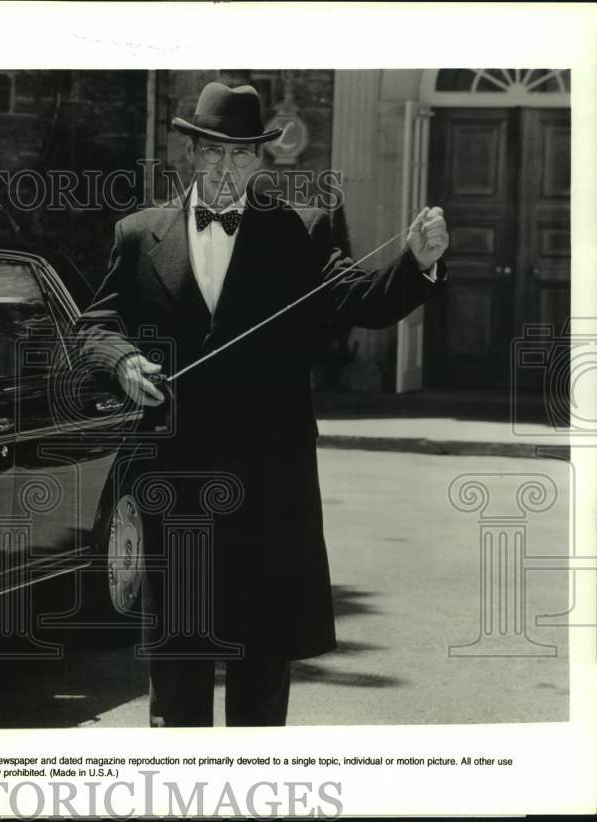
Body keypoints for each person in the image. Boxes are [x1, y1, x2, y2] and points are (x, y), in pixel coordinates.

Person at [75, 81, 450, 727]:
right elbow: (92, 328)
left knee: (261, 679)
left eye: (243, 155)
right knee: (178, 686)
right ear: (189, 152)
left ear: (260, 160)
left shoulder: (300, 231)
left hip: (269, 491)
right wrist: (122, 361)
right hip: (177, 486)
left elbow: (360, 299)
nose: (227, 170)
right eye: (215, 154)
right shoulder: (138, 236)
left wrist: (417, 264)